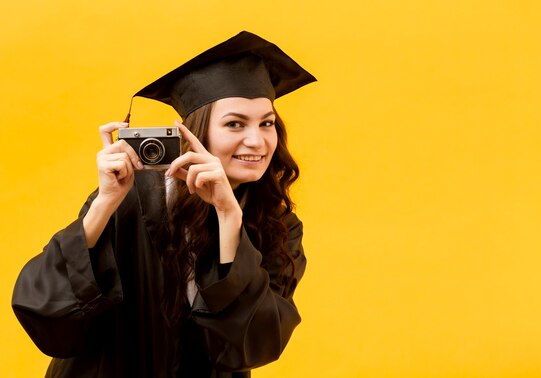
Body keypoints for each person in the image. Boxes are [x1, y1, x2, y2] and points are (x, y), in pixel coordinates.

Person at [12, 31, 316, 378]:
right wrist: (104, 204)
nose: (257, 140)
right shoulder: (130, 198)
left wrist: (229, 220)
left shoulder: (277, 226)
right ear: (194, 133)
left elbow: (252, 344)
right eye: (235, 123)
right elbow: (44, 312)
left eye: (267, 123)